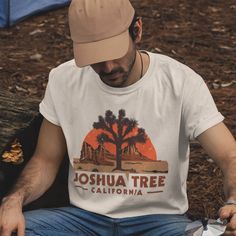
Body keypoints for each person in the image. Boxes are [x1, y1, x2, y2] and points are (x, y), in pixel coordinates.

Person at [0, 0, 236, 235]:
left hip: (159, 222)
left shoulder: (180, 82)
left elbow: (229, 155)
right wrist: (14, 200)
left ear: (137, 31)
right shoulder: (64, 79)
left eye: (114, 52)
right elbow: (45, 161)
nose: (108, 66)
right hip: (82, 220)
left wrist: (234, 201)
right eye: (95, 57)